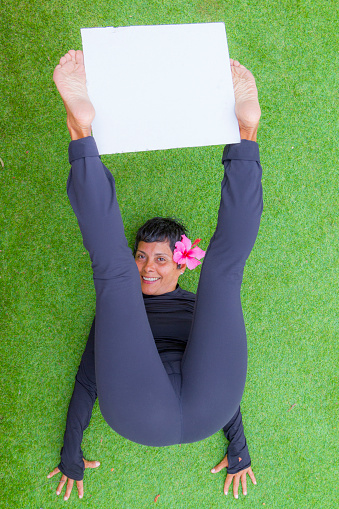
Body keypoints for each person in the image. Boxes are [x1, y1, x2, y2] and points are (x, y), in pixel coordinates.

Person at [48, 50, 262, 501]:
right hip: (200, 409)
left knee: (121, 274)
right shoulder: (136, 314)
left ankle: (82, 131)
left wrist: (72, 455)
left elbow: (93, 378)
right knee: (222, 275)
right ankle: (246, 135)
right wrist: (239, 449)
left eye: (159, 259)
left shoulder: (135, 312)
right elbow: (89, 381)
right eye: (141, 256)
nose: (147, 266)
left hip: (143, 412)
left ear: (182, 263)